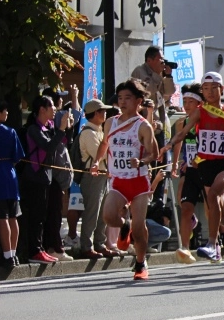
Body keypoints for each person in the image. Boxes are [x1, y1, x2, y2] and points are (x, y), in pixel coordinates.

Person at [160, 72, 224, 263]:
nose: (209, 92)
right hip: (205, 165)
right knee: (216, 208)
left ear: (222, 89)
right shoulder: (200, 113)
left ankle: (211, 243)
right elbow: (183, 133)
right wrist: (168, 145)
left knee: (212, 197)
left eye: (213, 88)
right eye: (206, 89)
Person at [90, 80, 159, 280]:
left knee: (139, 227)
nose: (122, 102)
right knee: (109, 217)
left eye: (127, 98)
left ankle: (140, 263)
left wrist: (142, 160)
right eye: (120, 98)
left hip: (138, 182)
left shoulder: (143, 126)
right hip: (118, 181)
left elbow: (154, 154)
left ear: (138, 101)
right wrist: (96, 162)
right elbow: (104, 144)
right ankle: (124, 226)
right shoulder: (110, 122)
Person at [19, 95, 73, 264]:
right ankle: (34, 251)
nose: (54, 110)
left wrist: (67, 128)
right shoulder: (34, 129)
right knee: (35, 216)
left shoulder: (49, 126)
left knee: (43, 216)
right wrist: (62, 129)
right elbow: (49, 146)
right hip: (34, 177)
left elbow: (63, 143)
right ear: (42, 109)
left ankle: (41, 248)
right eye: (51, 107)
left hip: (47, 177)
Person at [170, 83, 204, 263]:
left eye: (192, 101)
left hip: (206, 168)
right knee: (182, 201)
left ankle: (221, 234)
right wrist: (176, 163)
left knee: (215, 208)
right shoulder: (181, 122)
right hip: (188, 168)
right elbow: (179, 143)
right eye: (185, 101)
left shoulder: (205, 121)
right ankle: (185, 247)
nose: (187, 105)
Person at [78, 98, 113, 260]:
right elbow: (101, 154)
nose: (105, 113)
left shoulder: (99, 132)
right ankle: (87, 245)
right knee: (92, 211)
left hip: (103, 174)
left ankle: (100, 243)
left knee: (103, 212)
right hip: (93, 175)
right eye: (102, 111)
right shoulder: (88, 133)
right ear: (96, 113)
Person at [0, 100, 24, 269]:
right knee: (13, 216)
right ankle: (13, 254)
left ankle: (6, 255)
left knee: (2, 217)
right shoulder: (10, 132)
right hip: (10, 174)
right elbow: (18, 156)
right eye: (3, 110)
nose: (6, 113)